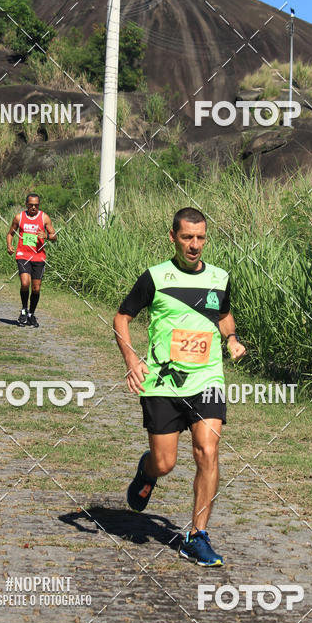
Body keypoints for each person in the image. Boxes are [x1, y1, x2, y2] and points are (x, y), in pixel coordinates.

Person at [113, 207, 246, 568]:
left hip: (207, 379)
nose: (195, 245)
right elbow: (122, 318)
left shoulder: (220, 277)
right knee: (165, 461)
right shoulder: (155, 277)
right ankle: (147, 471)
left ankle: (197, 536)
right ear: (172, 237)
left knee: (207, 451)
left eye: (200, 237)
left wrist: (231, 338)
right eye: (187, 237)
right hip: (162, 382)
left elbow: (222, 314)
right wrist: (131, 360)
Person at [6, 193, 57, 328]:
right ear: (26, 204)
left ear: (38, 205)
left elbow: (54, 236)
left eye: (36, 205)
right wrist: (9, 245)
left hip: (38, 256)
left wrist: (46, 236)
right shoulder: (19, 217)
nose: (33, 207)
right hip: (23, 254)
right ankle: (23, 310)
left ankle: (31, 314)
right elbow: (11, 233)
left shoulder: (44, 217)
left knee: (36, 288)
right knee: (24, 283)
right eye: (31, 205)